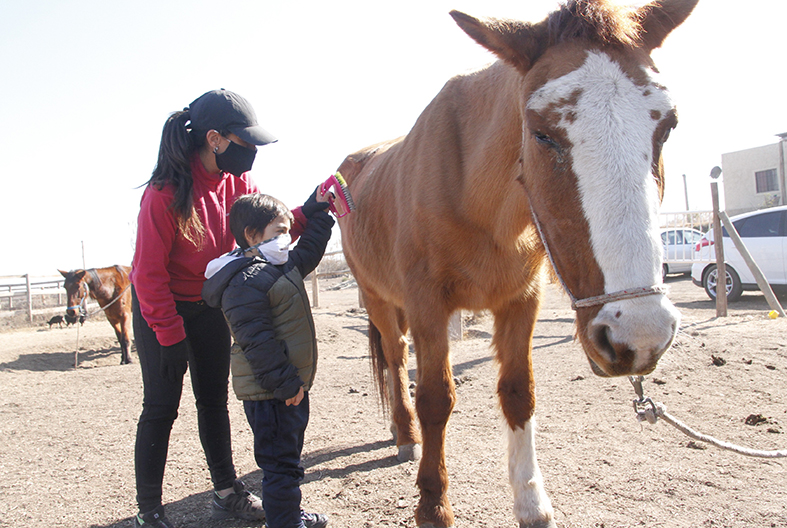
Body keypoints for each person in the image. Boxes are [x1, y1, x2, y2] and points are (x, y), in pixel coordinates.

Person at [131, 89, 314, 528]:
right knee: (161, 407)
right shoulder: (163, 194)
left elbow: (267, 231)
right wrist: (169, 335)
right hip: (162, 309)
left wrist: (313, 209)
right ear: (215, 139)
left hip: (210, 304)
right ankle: (149, 511)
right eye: (244, 142)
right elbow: (147, 274)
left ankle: (227, 493)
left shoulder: (238, 185)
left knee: (213, 401)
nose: (251, 151)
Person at [202, 192, 334, 528]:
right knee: (280, 466)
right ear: (251, 234)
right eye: (279, 232)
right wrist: (285, 382)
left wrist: (320, 214)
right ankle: (286, 522)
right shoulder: (243, 281)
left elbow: (310, 250)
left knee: (287, 461)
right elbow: (256, 341)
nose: (287, 239)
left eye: (288, 231)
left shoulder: (277, 265)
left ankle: (287, 514)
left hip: (287, 387)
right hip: (272, 392)